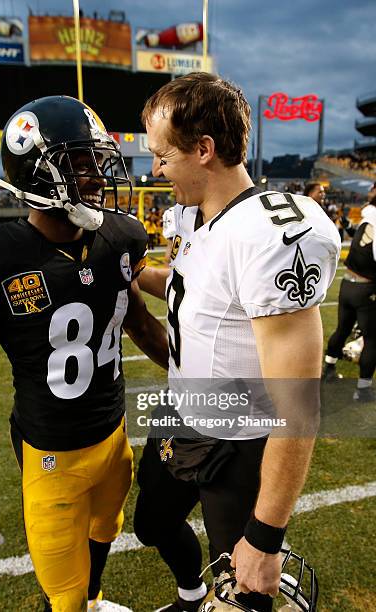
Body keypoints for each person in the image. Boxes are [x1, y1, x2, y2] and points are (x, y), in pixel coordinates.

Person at [0, 96, 169, 612]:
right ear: (35, 176)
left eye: (97, 161)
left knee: (105, 529)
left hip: (114, 435)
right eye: (78, 164)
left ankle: (98, 597)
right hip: (52, 454)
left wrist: (200, 381)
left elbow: (140, 324)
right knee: (62, 598)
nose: (97, 177)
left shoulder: (119, 237)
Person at [133, 72, 340, 612]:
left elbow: (299, 404)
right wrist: (132, 275)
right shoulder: (197, 217)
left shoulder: (269, 232)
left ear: (204, 149)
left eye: (163, 155)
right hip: (181, 412)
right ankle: (189, 593)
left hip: (238, 441)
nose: (156, 169)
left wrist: (267, 535)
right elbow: (191, 288)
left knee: (245, 584)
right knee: (151, 524)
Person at [322, 182, 376, 402]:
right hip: (367, 288)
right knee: (372, 341)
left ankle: (328, 370)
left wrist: (348, 227)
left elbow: (362, 239)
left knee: (342, 329)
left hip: (347, 284)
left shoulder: (369, 213)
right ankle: (362, 390)